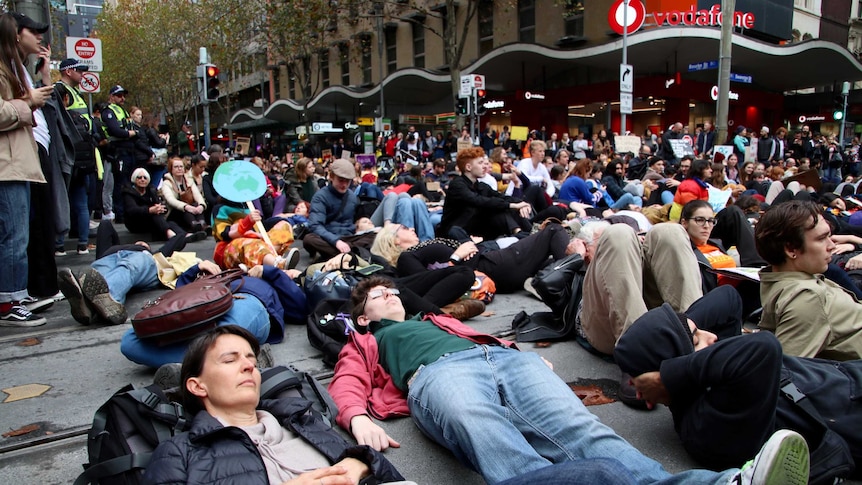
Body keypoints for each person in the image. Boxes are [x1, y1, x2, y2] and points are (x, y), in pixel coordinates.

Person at [329, 276, 811, 485]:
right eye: (379, 296)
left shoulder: (435, 320)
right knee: (485, 432)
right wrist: (355, 419)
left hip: (499, 362)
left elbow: (490, 336)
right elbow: (347, 382)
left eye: (394, 291)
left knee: (584, 431)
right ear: (364, 317)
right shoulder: (368, 340)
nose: (391, 296)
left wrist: (522, 357)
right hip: (438, 378)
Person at [615, 294, 854, 484]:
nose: (713, 337)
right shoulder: (706, 424)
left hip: (846, 377)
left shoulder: (709, 378)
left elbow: (728, 298)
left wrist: (683, 332)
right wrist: (668, 376)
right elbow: (764, 347)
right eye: (697, 340)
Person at [141, 325, 408, 485]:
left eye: (253, 362)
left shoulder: (302, 421)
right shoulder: (178, 451)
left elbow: (393, 477)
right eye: (230, 360)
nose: (248, 365)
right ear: (198, 386)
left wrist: (362, 463)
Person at [755, 200, 862, 360]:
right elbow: (782, 373)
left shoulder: (790, 277)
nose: (832, 245)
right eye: (821, 239)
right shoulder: (807, 298)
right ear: (791, 249)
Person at [0, 13, 52, 326]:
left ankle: (14, 295)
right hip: (8, 166)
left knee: (17, 235)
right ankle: (9, 302)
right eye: (33, 31)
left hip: (17, 163)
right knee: (13, 237)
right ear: (16, 34)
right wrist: (28, 101)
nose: (39, 37)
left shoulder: (16, 66)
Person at [55, 58, 99, 256]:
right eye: (79, 71)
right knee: (64, 198)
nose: (82, 75)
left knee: (78, 200)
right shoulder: (60, 90)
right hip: (68, 153)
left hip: (80, 155)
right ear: (68, 71)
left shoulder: (74, 93)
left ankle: (80, 243)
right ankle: (60, 243)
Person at [440, 147, 531, 240]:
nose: (485, 166)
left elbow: (501, 196)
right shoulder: (457, 184)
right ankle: (523, 235)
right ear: (468, 167)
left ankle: (528, 234)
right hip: (455, 231)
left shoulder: (480, 185)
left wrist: (522, 204)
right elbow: (477, 200)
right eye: (480, 163)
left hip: (475, 227)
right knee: (497, 208)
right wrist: (511, 205)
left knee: (505, 207)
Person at [303, 158, 376, 260]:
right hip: (329, 237)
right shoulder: (320, 197)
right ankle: (351, 253)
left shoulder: (352, 197)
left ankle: (342, 253)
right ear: (332, 176)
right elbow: (315, 225)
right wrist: (336, 241)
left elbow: (357, 221)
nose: (344, 185)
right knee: (309, 239)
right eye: (341, 180)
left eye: (347, 181)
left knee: (375, 235)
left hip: (349, 237)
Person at [123, 168, 190, 241]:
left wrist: (160, 208)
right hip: (135, 223)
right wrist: (149, 210)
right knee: (155, 215)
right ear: (134, 179)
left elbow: (161, 205)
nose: (142, 179)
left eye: (145, 178)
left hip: (150, 220)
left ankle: (184, 235)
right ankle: (171, 235)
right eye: (139, 177)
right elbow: (132, 210)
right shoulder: (128, 193)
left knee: (169, 222)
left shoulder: (151, 190)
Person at [102, 85, 137, 221]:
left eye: (123, 95)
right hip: (118, 150)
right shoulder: (108, 111)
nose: (122, 98)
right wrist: (130, 133)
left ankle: (126, 210)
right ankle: (120, 212)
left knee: (127, 182)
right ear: (111, 96)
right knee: (119, 183)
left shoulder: (123, 111)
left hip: (128, 150)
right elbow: (116, 130)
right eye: (119, 95)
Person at [160, 157, 208, 234]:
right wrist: (186, 206)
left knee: (196, 204)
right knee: (186, 208)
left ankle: (202, 224)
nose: (179, 169)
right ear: (171, 169)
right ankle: (194, 225)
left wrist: (201, 205)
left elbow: (197, 195)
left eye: (181, 166)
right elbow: (171, 200)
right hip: (174, 212)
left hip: (191, 209)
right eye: (176, 167)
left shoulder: (189, 180)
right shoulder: (166, 183)